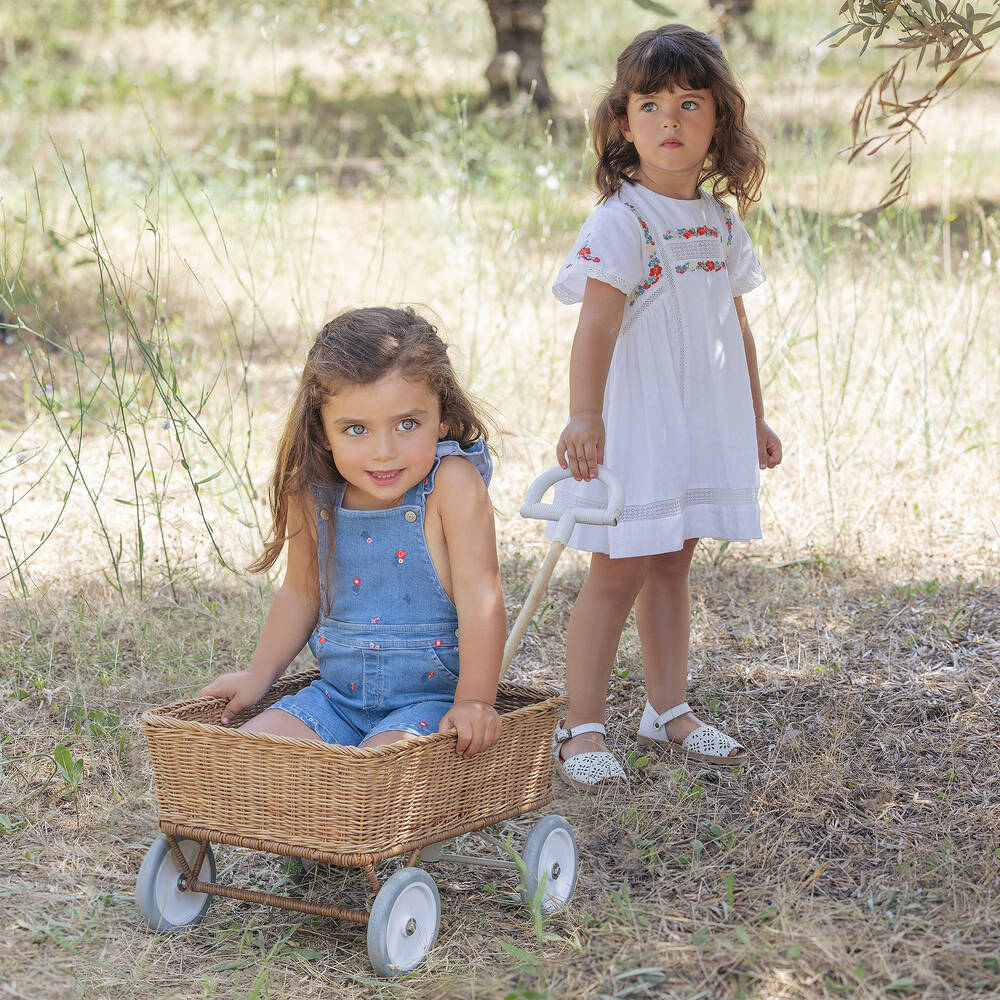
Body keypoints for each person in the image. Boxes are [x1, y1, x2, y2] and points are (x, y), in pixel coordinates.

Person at [550, 25, 781, 789]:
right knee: (617, 571)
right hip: (639, 429)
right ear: (624, 123)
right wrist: (586, 415)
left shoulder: (719, 221)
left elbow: (732, 327)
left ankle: (667, 709)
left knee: (673, 565)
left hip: (697, 426)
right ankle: (581, 728)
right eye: (650, 105)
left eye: (690, 103)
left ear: (720, 121)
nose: (670, 122)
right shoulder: (624, 220)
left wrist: (751, 415)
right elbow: (597, 325)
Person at [200, 307, 505, 759]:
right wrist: (257, 676)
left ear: (442, 417)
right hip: (336, 700)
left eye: (408, 424)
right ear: (323, 432)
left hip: (431, 705)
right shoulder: (314, 492)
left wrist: (474, 701)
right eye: (356, 429)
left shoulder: (451, 485)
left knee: (374, 773)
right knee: (247, 756)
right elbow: (299, 595)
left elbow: (481, 597)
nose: (384, 452)